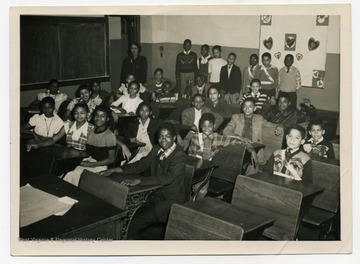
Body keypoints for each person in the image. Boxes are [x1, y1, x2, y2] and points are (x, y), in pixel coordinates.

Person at [99, 122, 187, 240]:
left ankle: (130, 252)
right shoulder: (157, 148)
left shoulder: (179, 155)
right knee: (124, 214)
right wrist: (117, 169)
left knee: (135, 221)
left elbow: (167, 178)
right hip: (154, 194)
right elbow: (142, 164)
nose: (163, 139)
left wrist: (139, 180)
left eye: (167, 136)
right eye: (161, 136)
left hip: (171, 199)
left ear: (174, 138)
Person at [62, 106, 117, 186]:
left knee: (71, 174)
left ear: (107, 119)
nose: (98, 118)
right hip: (89, 162)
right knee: (67, 171)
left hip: (99, 167)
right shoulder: (91, 131)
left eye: (102, 116)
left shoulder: (109, 135)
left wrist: (88, 164)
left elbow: (111, 159)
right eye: (97, 115)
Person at [223, 97, 283, 164]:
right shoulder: (236, 117)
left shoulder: (259, 119)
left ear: (254, 109)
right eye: (245, 106)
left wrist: (280, 126)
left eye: (250, 106)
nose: (247, 108)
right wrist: (240, 138)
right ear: (242, 108)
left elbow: (270, 125)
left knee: (251, 166)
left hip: (254, 150)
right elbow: (226, 131)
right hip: (239, 148)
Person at [25, 102, 94, 152]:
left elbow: (92, 150)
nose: (79, 115)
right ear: (73, 114)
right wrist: (38, 145)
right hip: (68, 157)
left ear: (87, 114)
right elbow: (53, 140)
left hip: (83, 158)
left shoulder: (92, 128)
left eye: (82, 113)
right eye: (76, 113)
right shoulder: (68, 125)